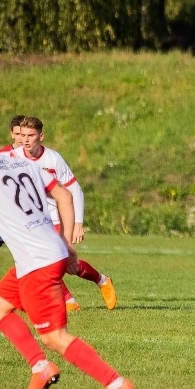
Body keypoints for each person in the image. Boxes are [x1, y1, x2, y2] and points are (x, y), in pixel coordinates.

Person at [0, 123, 134, 389]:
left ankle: (116, 383)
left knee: (54, 336)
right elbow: (64, 195)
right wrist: (67, 244)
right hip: (48, 250)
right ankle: (39, 367)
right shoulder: (19, 161)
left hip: (37, 262)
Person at [14, 116, 117, 311]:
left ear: (41, 136)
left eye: (31, 135)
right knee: (39, 261)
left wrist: (78, 221)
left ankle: (101, 280)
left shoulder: (53, 159)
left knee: (65, 263)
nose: (25, 140)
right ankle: (68, 301)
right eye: (23, 135)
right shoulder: (14, 157)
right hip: (29, 219)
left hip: (54, 217)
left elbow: (74, 190)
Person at [0, 115, 26, 289]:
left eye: (26, 134)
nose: (22, 139)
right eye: (18, 133)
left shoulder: (36, 157)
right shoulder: (3, 156)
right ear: (12, 134)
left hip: (9, 212)